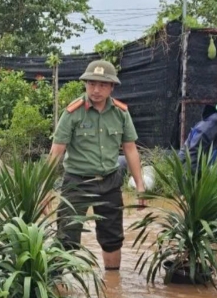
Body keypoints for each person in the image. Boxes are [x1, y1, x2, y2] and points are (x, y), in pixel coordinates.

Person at [47, 59, 146, 271]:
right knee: (67, 236)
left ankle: (113, 284)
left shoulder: (121, 113)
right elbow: (56, 151)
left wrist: (140, 186)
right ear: (85, 85)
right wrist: (44, 189)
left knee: (112, 238)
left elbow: (130, 149)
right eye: (91, 84)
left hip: (110, 182)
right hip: (76, 183)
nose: (96, 90)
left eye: (102, 85)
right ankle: (61, 288)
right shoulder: (73, 112)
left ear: (112, 87)